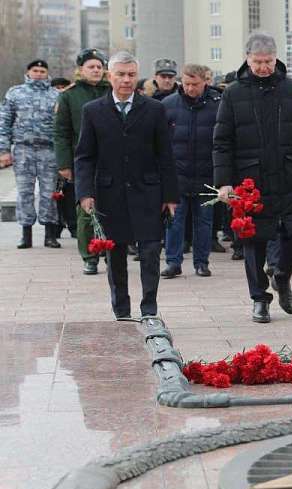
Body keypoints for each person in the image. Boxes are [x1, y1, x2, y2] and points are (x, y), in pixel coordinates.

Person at [213, 32, 292, 324]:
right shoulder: (233, 93)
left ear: (276, 58)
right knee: (253, 241)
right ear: (247, 59)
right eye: (257, 61)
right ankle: (259, 299)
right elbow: (222, 141)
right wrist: (224, 181)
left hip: (291, 175)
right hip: (251, 180)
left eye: (268, 61)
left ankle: (283, 276)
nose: (263, 67)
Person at [74, 51, 178, 320]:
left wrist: (170, 196)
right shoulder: (93, 111)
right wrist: (85, 193)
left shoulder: (155, 109)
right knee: (116, 256)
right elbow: (85, 156)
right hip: (110, 194)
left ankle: (149, 308)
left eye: (131, 74)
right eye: (120, 74)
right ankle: (121, 309)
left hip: (148, 192)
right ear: (110, 76)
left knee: (151, 252)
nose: (126, 80)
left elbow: (165, 155)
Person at [54, 48, 112, 274]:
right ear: (81, 70)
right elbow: (61, 132)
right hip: (83, 160)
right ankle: (90, 256)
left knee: (113, 207)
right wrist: (64, 164)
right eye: (91, 66)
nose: (96, 70)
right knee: (86, 210)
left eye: (99, 66)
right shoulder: (70, 95)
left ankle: (111, 251)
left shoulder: (112, 91)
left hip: (111, 159)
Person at [161, 64, 221, 279]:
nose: (190, 88)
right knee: (174, 221)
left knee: (204, 221)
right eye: (186, 84)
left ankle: (202, 262)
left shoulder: (217, 105)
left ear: (206, 81)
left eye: (195, 84)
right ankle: (173, 262)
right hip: (177, 174)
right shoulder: (168, 105)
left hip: (206, 174)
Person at [0, 59, 62, 249]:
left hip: (48, 150)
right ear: (28, 72)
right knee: (24, 192)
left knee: (48, 193)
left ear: (47, 73)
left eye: (43, 71)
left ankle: (50, 235)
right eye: (35, 70)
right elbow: (4, 122)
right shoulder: (15, 93)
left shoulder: (56, 95)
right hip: (23, 149)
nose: (39, 74)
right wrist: (3, 150)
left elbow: (62, 126)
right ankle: (25, 234)